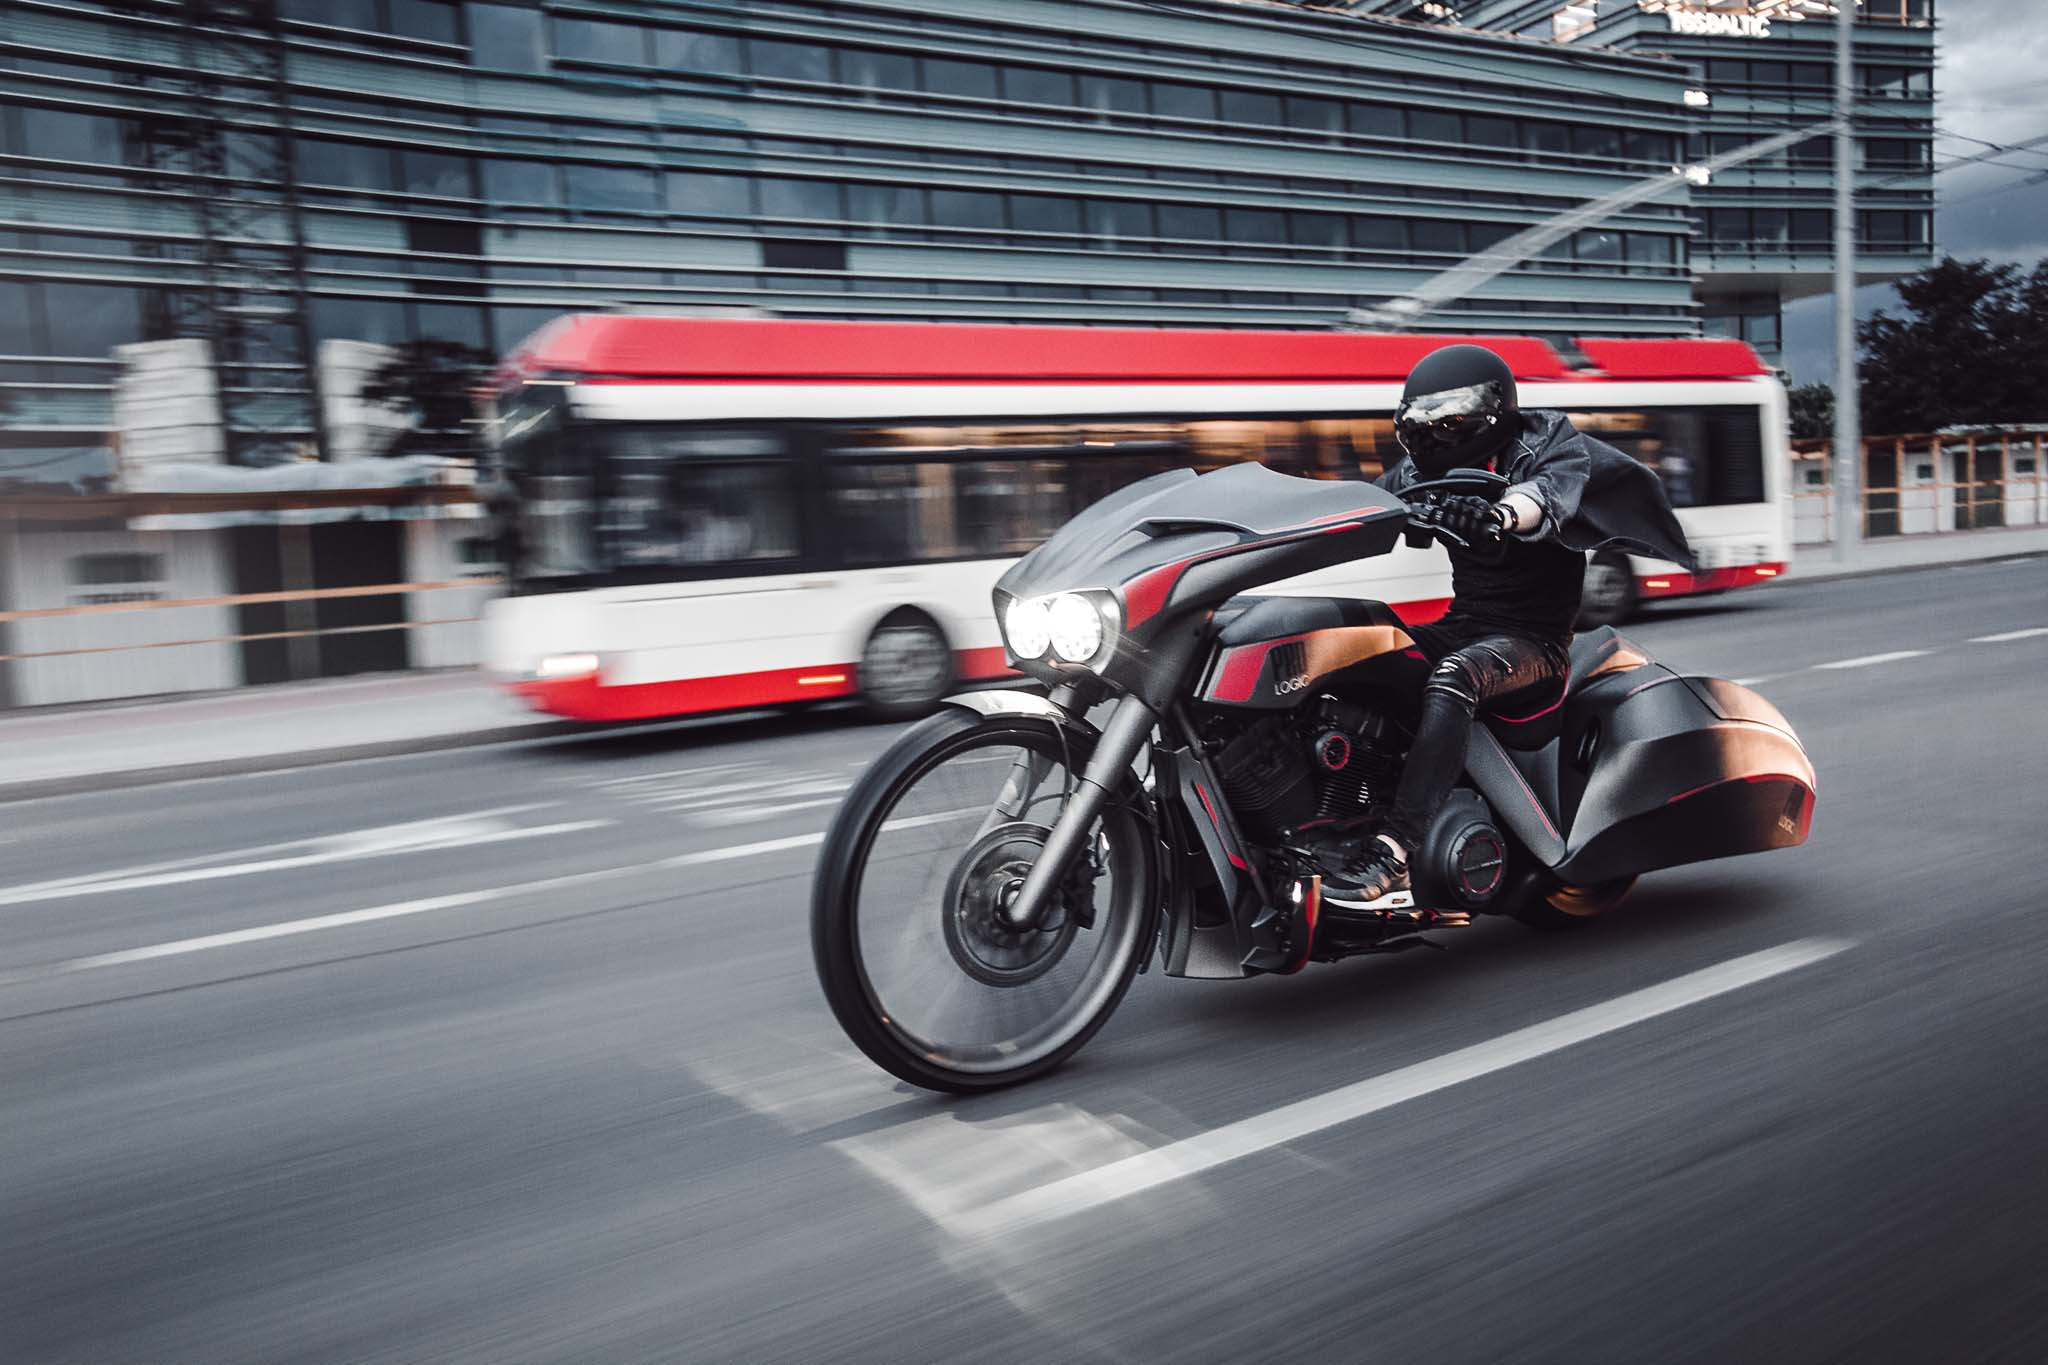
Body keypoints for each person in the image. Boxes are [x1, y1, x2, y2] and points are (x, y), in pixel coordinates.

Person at [1324, 343, 1695, 905]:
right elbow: (1362, 507)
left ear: (1490, 413)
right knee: (1349, 644)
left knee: (1454, 677)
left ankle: (1396, 851)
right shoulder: (1425, 468)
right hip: (1464, 624)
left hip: (1533, 645)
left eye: (1448, 420)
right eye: (1420, 422)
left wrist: (1499, 514)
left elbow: (1546, 497)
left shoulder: (1547, 443)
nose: (1433, 434)